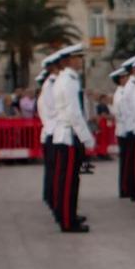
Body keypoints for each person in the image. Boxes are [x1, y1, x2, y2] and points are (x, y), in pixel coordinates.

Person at [39, 45, 94, 232]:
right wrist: (87, 138)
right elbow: (74, 113)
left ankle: (68, 216)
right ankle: (67, 220)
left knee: (69, 179)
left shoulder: (65, 79)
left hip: (66, 134)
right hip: (69, 135)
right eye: (78, 57)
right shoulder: (69, 80)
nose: (81, 61)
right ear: (69, 60)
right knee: (69, 180)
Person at [115, 55, 135, 203]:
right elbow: (131, 109)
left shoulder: (133, 85)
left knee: (132, 163)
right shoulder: (133, 86)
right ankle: (132, 191)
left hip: (131, 127)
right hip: (133, 127)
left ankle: (130, 190)